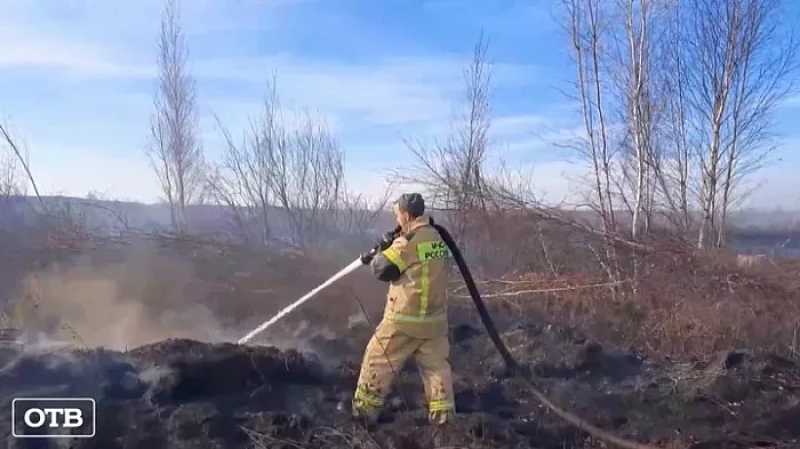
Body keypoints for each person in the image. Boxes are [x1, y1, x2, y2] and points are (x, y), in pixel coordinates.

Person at [352, 193, 456, 425]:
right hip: (435, 322)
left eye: (397, 215)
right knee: (437, 369)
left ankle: (362, 416)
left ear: (407, 214)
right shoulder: (437, 239)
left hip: (404, 320)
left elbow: (381, 270)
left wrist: (383, 249)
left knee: (377, 359)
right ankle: (445, 424)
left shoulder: (409, 241)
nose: (396, 219)